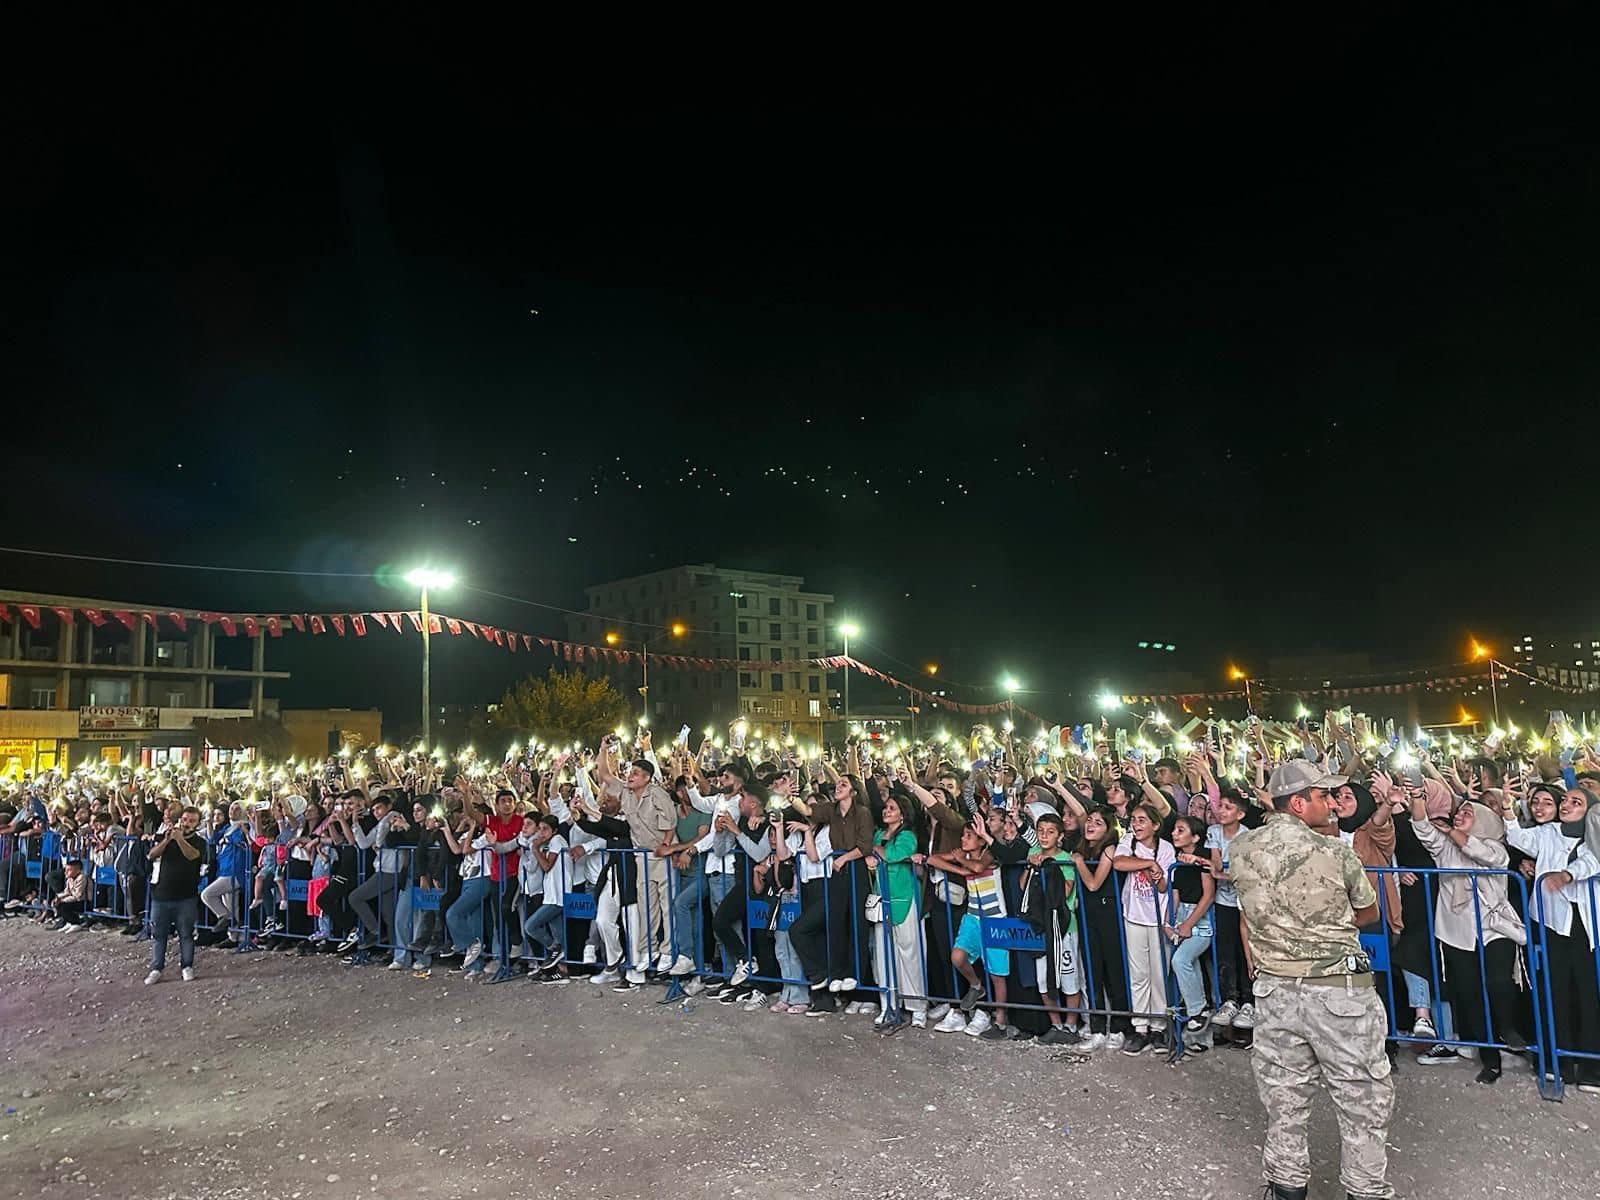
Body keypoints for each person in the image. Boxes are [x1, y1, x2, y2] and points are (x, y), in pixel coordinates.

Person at [1230, 759, 1392, 1200]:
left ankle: (1286, 1188)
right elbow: (1369, 912)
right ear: (1298, 804)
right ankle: (1364, 1190)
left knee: (1284, 1100)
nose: (1332, 804)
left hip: (1276, 991)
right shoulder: (1335, 851)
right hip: (1337, 991)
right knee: (1361, 1101)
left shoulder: (1240, 850)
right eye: (1323, 796)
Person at [146, 804, 205, 985]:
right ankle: (157, 968)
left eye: (192, 821)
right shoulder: (167, 836)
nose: (187, 823)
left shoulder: (199, 842)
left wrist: (179, 839)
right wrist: (167, 840)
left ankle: (187, 966)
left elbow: (192, 855)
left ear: (197, 824)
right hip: (161, 895)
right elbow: (151, 855)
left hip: (186, 896)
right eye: (185, 819)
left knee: (186, 934)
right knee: (159, 934)